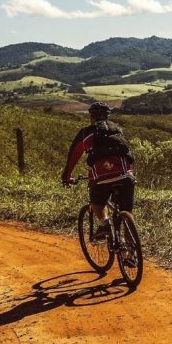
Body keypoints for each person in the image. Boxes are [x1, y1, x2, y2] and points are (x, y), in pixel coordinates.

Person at [62, 102, 136, 240]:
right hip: (126, 176)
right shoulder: (118, 129)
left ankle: (104, 224)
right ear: (108, 115)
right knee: (127, 213)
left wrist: (67, 176)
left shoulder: (86, 133)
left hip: (101, 178)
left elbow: (73, 156)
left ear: (91, 116)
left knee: (96, 202)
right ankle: (131, 255)